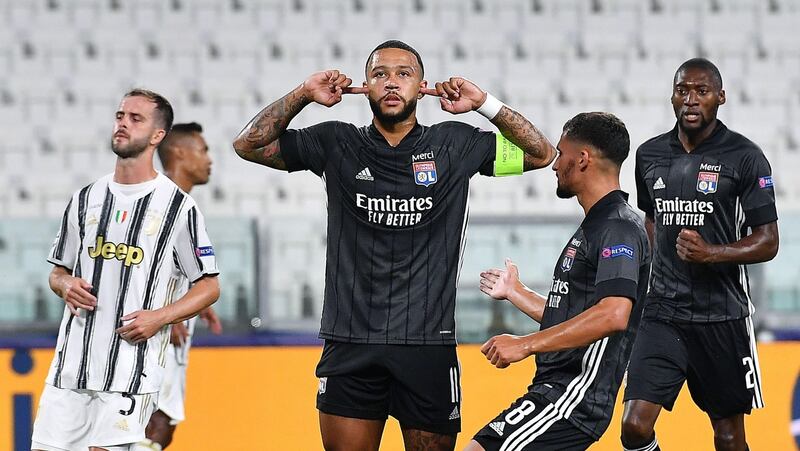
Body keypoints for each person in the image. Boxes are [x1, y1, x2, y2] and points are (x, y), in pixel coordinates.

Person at [232, 40, 556, 451]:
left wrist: (483, 103)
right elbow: (248, 145)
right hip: (350, 342)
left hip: (427, 345)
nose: (391, 82)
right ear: (365, 85)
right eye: (380, 74)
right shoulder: (335, 142)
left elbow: (542, 154)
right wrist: (303, 94)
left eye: (404, 74)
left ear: (422, 86)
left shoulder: (456, 144)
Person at [32, 90, 221, 451]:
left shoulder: (178, 208)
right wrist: (65, 284)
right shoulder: (84, 198)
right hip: (69, 370)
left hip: (131, 374)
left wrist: (161, 316)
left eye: (136, 118)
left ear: (157, 135)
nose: (122, 123)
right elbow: (57, 272)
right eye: (120, 115)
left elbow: (209, 285)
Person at [621, 58, 779, 451]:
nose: (691, 99)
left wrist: (711, 253)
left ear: (720, 97)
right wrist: (653, 269)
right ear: (672, 97)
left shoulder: (745, 156)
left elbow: (768, 241)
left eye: (702, 91)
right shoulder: (649, 154)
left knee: (728, 436)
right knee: (634, 427)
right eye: (683, 90)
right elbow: (652, 218)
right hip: (662, 313)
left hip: (721, 315)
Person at [468, 112, 650, 451]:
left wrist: (524, 344)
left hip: (573, 398)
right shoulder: (599, 224)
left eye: (561, 153)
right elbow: (577, 314)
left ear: (582, 159)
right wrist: (517, 292)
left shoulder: (618, 227)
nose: (554, 164)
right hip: (555, 392)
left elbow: (613, 315)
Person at [135, 122, 223, 451]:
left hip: (170, 323)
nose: (209, 159)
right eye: (203, 150)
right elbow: (137, 264)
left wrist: (199, 304)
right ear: (179, 153)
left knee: (164, 420)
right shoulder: (158, 203)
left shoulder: (181, 204)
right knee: (155, 419)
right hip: (156, 329)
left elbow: (171, 264)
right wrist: (166, 316)